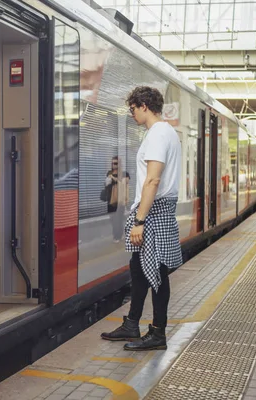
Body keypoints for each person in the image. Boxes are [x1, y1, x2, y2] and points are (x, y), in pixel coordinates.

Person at [101, 87, 182, 351]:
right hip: (158, 208)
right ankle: (132, 323)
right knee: (138, 268)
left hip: (154, 210)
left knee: (157, 273)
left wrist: (140, 221)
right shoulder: (164, 132)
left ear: (144, 105)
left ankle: (158, 333)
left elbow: (153, 179)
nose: (132, 114)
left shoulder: (158, 133)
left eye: (133, 109)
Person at [105, 156, 130, 243]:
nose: (113, 165)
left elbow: (125, 185)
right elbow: (107, 185)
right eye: (112, 163)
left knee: (118, 219)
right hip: (111, 200)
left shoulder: (124, 174)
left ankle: (117, 236)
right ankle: (119, 234)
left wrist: (114, 178)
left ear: (119, 164)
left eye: (115, 163)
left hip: (120, 200)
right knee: (113, 220)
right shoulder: (109, 173)